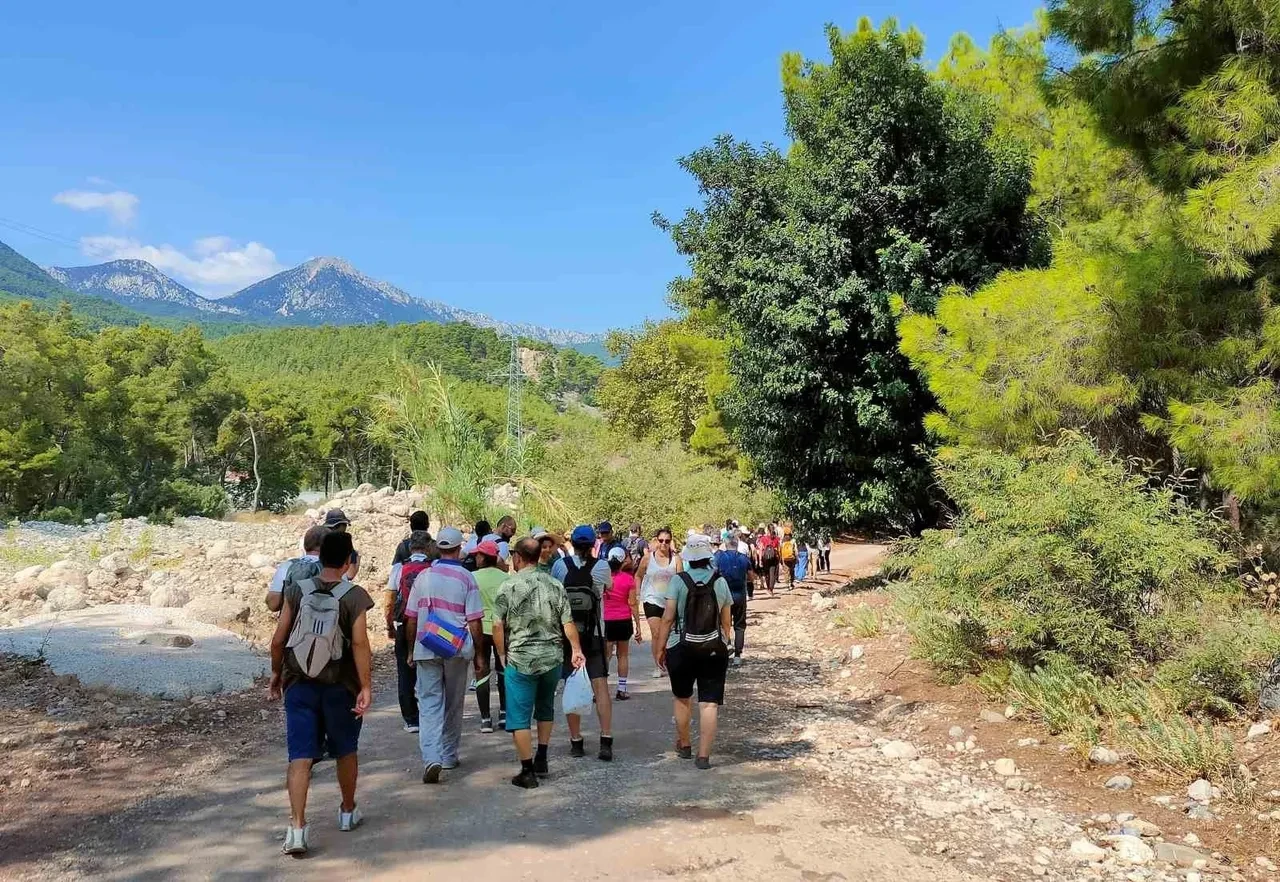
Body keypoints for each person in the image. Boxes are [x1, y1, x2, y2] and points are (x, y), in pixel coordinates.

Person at [268, 530, 373, 855]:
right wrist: (365, 685)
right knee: (345, 749)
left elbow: (279, 638)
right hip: (339, 686)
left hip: (299, 683)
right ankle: (346, 811)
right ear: (346, 561)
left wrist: (276, 674)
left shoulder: (298, 590)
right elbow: (359, 643)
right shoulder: (354, 595)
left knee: (300, 755)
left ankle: (297, 828)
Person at [493, 536, 586, 788]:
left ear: (518, 558)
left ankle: (527, 770)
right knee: (545, 707)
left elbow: (497, 624)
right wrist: (576, 649)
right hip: (551, 658)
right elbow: (567, 622)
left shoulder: (508, 586)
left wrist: (502, 655)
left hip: (520, 659)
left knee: (519, 717)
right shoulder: (555, 585)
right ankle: (542, 757)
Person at [403, 526, 484, 784]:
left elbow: (411, 619)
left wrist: (410, 651)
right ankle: (448, 755)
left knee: (428, 703)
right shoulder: (467, 578)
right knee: (453, 702)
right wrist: (480, 655)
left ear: (438, 548)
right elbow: (475, 622)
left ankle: (431, 757)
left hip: (426, 647)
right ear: (459, 549)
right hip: (456, 649)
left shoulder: (424, 577)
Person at [656, 535, 732, 770]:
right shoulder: (720, 582)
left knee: (682, 697)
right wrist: (724, 642)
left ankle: (685, 745)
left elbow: (668, 618)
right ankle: (703, 756)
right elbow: (726, 621)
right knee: (709, 703)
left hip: (681, 646)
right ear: (708, 556)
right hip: (712, 648)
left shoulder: (678, 581)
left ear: (688, 557)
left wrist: (660, 647)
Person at [551, 525, 615, 761]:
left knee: (572, 683)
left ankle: (576, 740)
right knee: (601, 687)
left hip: (569, 635)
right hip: (595, 633)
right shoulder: (602, 566)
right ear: (592, 545)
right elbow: (609, 588)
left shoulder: (560, 566)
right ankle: (606, 738)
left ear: (573, 543)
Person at [384, 530, 434, 732]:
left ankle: (411, 718)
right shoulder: (432, 568)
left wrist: (389, 625)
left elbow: (389, 601)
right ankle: (430, 713)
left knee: (405, 672)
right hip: (429, 624)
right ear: (429, 546)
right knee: (430, 670)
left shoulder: (399, 569)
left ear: (410, 547)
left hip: (405, 624)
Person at [635, 526, 682, 678]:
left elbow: (682, 580)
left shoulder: (676, 559)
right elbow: (638, 575)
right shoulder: (648, 558)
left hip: (670, 601)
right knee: (656, 633)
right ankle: (658, 665)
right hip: (652, 599)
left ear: (671, 542)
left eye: (667, 541)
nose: (663, 544)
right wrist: (637, 593)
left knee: (667, 633)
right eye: (661, 540)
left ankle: (666, 660)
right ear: (656, 541)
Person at [471, 538, 508, 732]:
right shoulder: (506, 578)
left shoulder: (472, 578)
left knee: (481, 669)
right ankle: (504, 713)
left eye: (478, 554)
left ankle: (485, 718)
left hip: (479, 629)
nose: (475, 557)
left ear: (484, 557)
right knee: (503, 669)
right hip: (501, 628)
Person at [602, 546, 642, 700]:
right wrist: (638, 624)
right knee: (623, 655)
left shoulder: (603, 578)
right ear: (622, 561)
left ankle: (601, 689)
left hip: (607, 620)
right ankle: (622, 688)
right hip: (623, 619)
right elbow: (632, 603)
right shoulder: (628, 579)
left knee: (605, 656)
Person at [266, 525, 328, 613]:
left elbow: (273, 604)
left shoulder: (287, 566)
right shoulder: (335, 569)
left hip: (292, 624)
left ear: (305, 544)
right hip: (324, 625)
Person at [712, 533, 752, 667]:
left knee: (723, 623)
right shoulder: (744, 558)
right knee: (740, 625)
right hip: (740, 595)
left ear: (725, 543)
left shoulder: (719, 556)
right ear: (737, 543)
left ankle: (725, 647)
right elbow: (751, 576)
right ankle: (738, 655)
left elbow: (713, 572)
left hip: (723, 597)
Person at [323, 509, 360, 580]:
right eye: (345, 525)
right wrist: (358, 559)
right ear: (341, 525)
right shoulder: (345, 543)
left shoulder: (318, 540)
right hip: (339, 586)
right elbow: (350, 574)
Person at [756, 526, 780, 597]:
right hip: (774, 558)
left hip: (765, 558)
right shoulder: (776, 539)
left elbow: (760, 549)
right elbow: (778, 549)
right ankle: (771, 590)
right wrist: (779, 558)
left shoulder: (763, 539)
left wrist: (760, 560)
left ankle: (768, 588)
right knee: (772, 574)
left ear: (767, 530)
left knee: (767, 574)